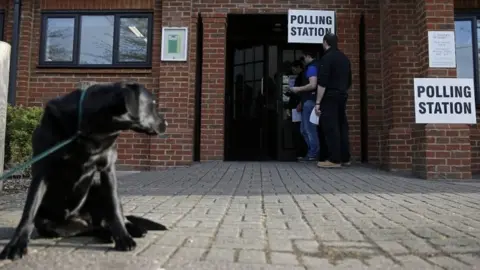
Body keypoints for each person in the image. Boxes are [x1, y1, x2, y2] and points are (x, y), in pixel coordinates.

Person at [315, 33, 352, 168]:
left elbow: (322, 82)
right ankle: (345, 158)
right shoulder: (345, 59)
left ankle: (334, 159)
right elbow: (349, 81)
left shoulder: (327, 58)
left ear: (325, 42)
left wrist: (318, 102)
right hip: (342, 95)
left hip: (329, 96)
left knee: (331, 127)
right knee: (342, 126)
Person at [290, 52, 320, 162]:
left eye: (304, 57)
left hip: (310, 102)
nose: (303, 60)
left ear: (308, 56)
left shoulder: (312, 67)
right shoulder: (315, 66)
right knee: (304, 130)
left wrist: (298, 89)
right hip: (307, 101)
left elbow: (313, 85)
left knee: (309, 129)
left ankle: (313, 153)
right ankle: (312, 152)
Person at [286, 59, 308, 159]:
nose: (293, 71)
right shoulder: (300, 77)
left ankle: (301, 152)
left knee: (299, 129)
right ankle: (301, 152)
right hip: (296, 106)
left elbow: (301, 92)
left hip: (297, 107)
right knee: (299, 129)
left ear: (300, 67)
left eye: (294, 68)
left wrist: (300, 102)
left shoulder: (302, 77)